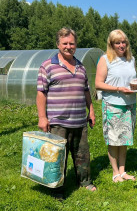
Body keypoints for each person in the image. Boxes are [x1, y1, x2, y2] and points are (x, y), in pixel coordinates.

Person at [36, 27, 97, 198]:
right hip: (58, 122)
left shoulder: (81, 66)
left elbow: (86, 90)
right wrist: (42, 117)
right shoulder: (47, 66)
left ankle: (85, 182)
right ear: (58, 44)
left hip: (79, 121)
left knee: (82, 155)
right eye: (65, 43)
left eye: (72, 43)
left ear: (76, 44)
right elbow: (41, 92)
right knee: (57, 158)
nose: (68, 46)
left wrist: (91, 111)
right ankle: (56, 189)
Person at [95, 29, 137, 183]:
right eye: (117, 42)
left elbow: (131, 79)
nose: (121, 45)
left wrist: (135, 87)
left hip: (130, 103)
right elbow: (98, 84)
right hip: (112, 104)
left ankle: (122, 170)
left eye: (123, 42)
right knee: (113, 139)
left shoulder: (131, 59)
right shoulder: (105, 59)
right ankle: (115, 173)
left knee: (124, 138)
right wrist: (119, 89)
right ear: (111, 44)